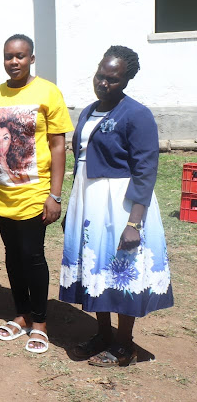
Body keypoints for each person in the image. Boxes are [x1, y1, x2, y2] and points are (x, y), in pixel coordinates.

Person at [59, 45, 173, 367]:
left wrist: (134, 222)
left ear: (125, 81)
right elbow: (81, 162)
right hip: (89, 204)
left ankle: (124, 344)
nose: (102, 83)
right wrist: (75, 207)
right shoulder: (86, 111)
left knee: (121, 272)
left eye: (112, 79)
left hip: (120, 206)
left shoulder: (136, 114)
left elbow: (146, 170)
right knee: (97, 271)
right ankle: (103, 334)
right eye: (100, 75)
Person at [0, 34, 73, 354]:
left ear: (31, 58)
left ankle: (40, 322)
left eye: (20, 56)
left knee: (32, 256)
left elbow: (58, 145)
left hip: (35, 192)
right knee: (12, 255)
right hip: (0, 192)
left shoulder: (48, 92)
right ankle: (21, 314)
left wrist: (56, 195)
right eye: (9, 56)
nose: (14, 61)